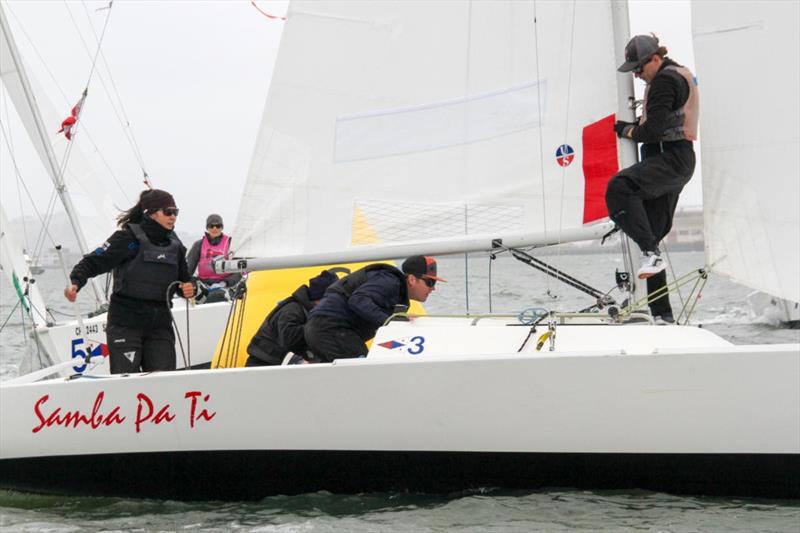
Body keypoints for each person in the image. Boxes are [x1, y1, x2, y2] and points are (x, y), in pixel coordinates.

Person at [605, 34, 699, 324]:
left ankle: (649, 253)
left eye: (638, 68)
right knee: (653, 233)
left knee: (619, 188)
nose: (636, 74)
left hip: (669, 158)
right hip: (675, 159)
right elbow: (660, 122)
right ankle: (662, 316)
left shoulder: (664, 82)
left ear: (655, 59)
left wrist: (623, 130)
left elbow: (652, 131)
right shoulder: (678, 75)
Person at [64, 189, 195, 374]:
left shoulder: (175, 245)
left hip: (160, 324)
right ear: (150, 212)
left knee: (163, 380)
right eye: (168, 212)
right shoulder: (128, 238)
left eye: (176, 212)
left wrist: (190, 289)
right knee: (127, 381)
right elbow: (93, 261)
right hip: (126, 323)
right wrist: (76, 282)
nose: (173, 217)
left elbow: (185, 281)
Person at [304, 255, 444, 362]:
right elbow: (358, 300)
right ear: (412, 279)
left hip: (322, 329)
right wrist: (390, 320)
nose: (433, 288)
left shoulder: (394, 289)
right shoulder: (389, 281)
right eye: (430, 282)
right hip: (332, 328)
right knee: (364, 376)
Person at [245, 269, 339, 367]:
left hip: (284, 368)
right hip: (263, 366)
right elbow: (290, 338)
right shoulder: (292, 309)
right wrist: (321, 325)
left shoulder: (312, 312)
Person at [186, 214, 242, 302]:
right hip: (203, 284)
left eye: (218, 226)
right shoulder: (199, 245)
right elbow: (188, 270)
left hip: (225, 285)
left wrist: (224, 283)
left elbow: (239, 270)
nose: (214, 228)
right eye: (211, 226)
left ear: (222, 227)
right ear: (207, 228)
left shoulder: (231, 244)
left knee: (216, 296)